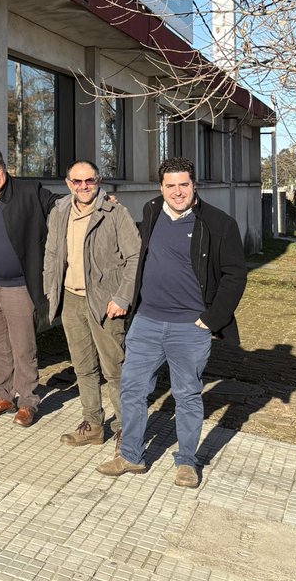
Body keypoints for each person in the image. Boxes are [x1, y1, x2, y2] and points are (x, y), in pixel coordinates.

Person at [97, 157, 247, 488]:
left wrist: (211, 320)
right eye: (170, 185)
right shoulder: (152, 211)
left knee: (187, 395)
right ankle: (131, 456)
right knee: (133, 390)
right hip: (147, 322)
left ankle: (188, 462)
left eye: (183, 184)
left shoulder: (219, 224)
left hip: (189, 328)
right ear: (160, 187)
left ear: (194, 185)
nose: (177, 192)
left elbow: (235, 275)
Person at [43, 160, 141, 445]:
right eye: (77, 181)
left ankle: (126, 428)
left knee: (115, 369)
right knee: (83, 367)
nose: (83, 187)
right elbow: (51, 252)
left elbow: (134, 257)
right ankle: (93, 424)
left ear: (99, 181)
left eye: (90, 181)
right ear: (68, 183)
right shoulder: (59, 211)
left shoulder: (115, 212)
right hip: (71, 299)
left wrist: (122, 297)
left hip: (106, 302)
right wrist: (51, 288)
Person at [0, 148, 56, 426]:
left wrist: (94, 199)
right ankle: (3, 395)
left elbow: (59, 204)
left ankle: (28, 401)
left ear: (5, 168)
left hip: (19, 286)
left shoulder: (28, 190)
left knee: (23, 347)